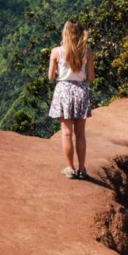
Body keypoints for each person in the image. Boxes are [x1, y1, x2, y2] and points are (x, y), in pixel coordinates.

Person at [48, 19, 95, 179]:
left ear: (65, 33)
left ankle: (70, 168)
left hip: (64, 90)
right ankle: (82, 169)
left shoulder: (56, 52)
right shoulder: (87, 52)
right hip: (81, 90)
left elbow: (50, 76)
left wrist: (60, 73)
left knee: (67, 133)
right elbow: (92, 78)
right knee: (80, 134)